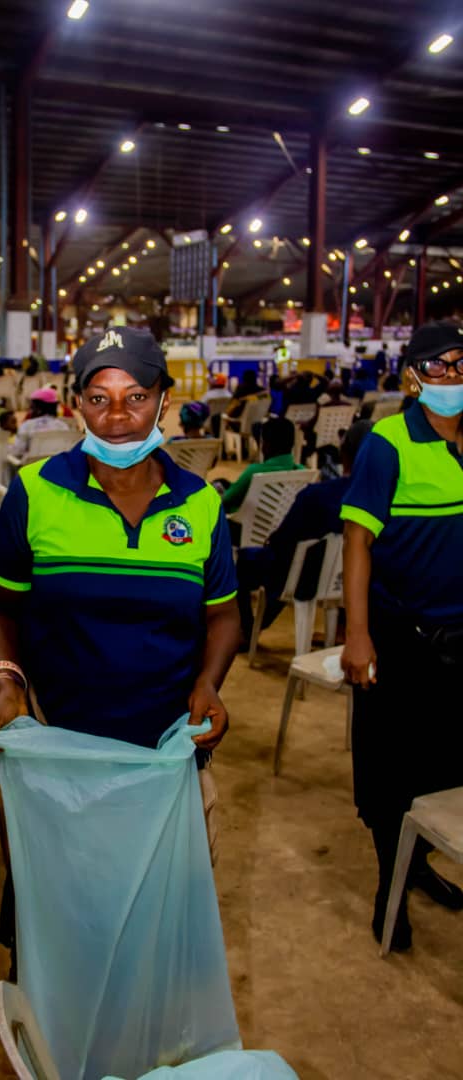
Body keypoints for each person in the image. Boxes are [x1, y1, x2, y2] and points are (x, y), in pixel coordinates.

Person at [0, 326, 240, 970]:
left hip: (164, 754)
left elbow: (225, 614)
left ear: (164, 401)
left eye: (136, 397)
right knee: (60, 924)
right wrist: (7, 680)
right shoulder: (36, 492)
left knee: (154, 928)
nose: (118, 416)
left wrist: (210, 682)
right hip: (63, 753)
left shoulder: (199, 504)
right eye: (99, 398)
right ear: (77, 405)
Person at [340, 320, 463, 952]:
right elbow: (357, 541)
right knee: (392, 771)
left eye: (460, 362)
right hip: (401, 637)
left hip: (460, 638)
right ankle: (392, 881)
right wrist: (358, 635)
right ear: (413, 375)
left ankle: (421, 862)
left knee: (447, 764)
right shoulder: (388, 443)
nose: (451, 375)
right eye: (436, 365)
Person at [235, 421, 372, 646]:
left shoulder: (317, 495)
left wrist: (272, 541)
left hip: (303, 577)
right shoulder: (386, 499)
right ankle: (338, 630)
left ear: (343, 452)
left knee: (249, 562)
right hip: (350, 580)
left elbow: (284, 541)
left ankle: (247, 629)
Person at [220, 416, 304, 516]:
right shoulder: (301, 471)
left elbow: (227, 499)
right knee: (223, 482)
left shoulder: (254, 472)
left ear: (266, 445)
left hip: (245, 523)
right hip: (281, 521)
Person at [10, 387, 69, 459]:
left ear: (38, 409)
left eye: (32, 407)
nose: (30, 410)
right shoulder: (62, 426)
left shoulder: (27, 426)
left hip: (32, 465)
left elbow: (17, 451)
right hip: (56, 464)